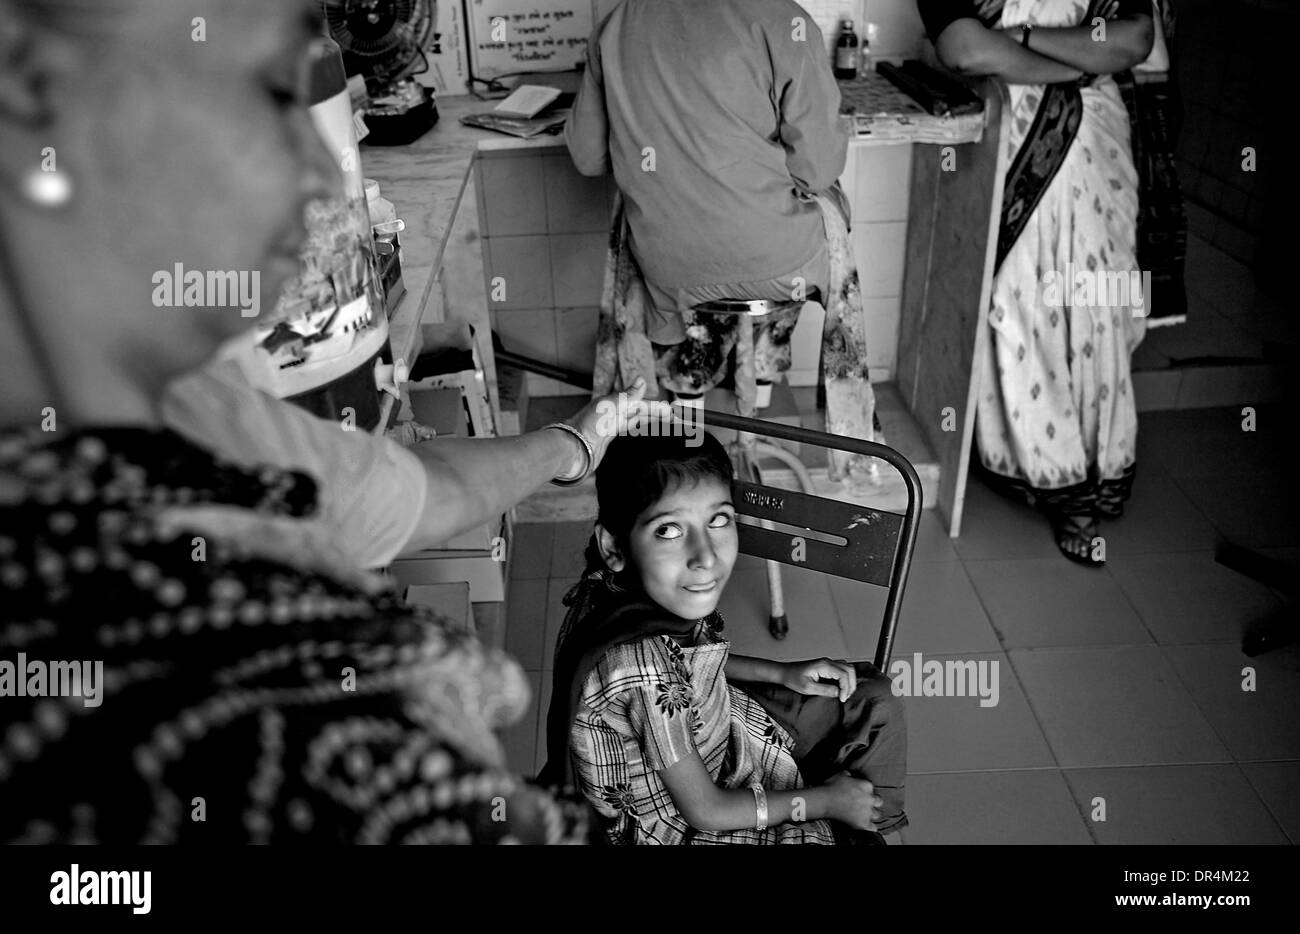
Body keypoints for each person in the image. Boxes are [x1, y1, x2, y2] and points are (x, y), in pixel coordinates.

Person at [0, 0, 644, 844]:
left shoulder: (198, 413)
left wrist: (573, 444)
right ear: (36, 89)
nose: (320, 170)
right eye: (270, 92)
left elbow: (422, 494)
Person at [566, 0, 883, 483]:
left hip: (668, 270)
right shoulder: (784, 21)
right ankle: (757, 404)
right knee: (822, 218)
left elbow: (588, 158)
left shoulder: (618, 23)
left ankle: (687, 418)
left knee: (680, 266)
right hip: (779, 264)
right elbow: (816, 168)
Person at [539, 429, 908, 844]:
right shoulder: (639, 662)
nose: (706, 556)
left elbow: (690, 660)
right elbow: (706, 810)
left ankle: (865, 818)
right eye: (669, 530)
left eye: (718, 520)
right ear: (614, 545)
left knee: (870, 699)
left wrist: (781, 673)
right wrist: (823, 802)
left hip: (713, 728)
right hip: (681, 825)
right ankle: (855, 824)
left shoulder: (628, 592)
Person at [918, 0, 1155, 565]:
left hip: (1096, 143)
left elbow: (1132, 41)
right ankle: (1054, 476)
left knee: (1099, 314)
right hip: (1010, 138)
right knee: (1020, 311)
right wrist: (1075, 62)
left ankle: (1095, 477)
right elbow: (965, 48)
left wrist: (1022, 35)